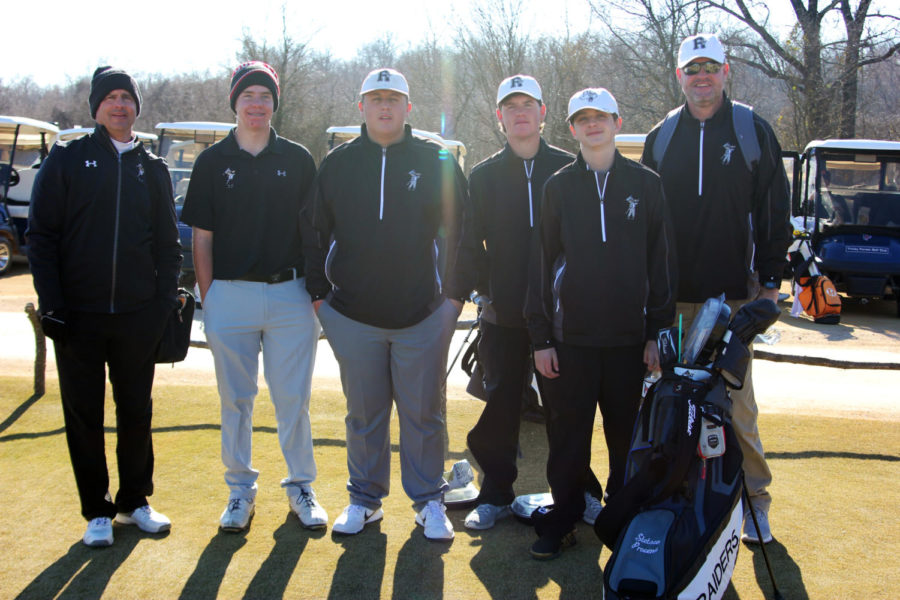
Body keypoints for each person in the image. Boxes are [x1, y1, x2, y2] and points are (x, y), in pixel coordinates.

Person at [641, 33, 792, 544]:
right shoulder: (662, 136)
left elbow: (775, 214)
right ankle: (678, 495)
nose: (701, 76)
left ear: (727, 72)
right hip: (675, 299)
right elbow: (647, 224)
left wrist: (771, 287)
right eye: (692, 69)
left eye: (710, 67)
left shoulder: (751, 129)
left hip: (733, 299)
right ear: (679, 76)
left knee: (737, 408)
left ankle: (755, 502)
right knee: (673, 403)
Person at [304, 68, 466, 540]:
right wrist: (320, 298)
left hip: (422, 315)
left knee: (423, 415)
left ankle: (428, 501)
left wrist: (453, 299)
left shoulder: (435, 159)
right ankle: (365, 500)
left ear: (408, 107)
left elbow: (462, 232)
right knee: (364, 414)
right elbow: (312, 231)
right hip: (352, 315)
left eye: (394, 98)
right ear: (361, 107)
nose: (385, 106)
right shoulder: (338, 163)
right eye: (375, 98)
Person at [28, 66, 182, 547]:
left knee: (136, 411)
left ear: (137, 107)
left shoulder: (151, 167)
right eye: (111, 97)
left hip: (138, 316)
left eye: (127, 98)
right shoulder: (68, 159)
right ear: (96, 107)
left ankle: (134, 502)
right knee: (84, 415)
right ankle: (97, 511)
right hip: (78, 316)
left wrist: (161, 305)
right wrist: (53, 304)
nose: (120, 105)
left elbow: (166, 245)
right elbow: (41, 236)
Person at [447, 74, 604, 531]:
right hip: (506, 316)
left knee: (567, 411)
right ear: (500, 118)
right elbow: (469, 247)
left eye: (528, 104)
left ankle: (582, 493)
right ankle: (496, 493)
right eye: (510, 106)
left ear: (543, 113)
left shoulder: (570, 167)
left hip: (564, 319)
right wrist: (484, 293)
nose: (520, 113)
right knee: (501, 407)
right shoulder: (484, 175)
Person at [526, 87, 676, 559]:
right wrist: (541, 337)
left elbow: (662, 265)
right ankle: (565, 517)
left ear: (616, 121)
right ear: (571, 128)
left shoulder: (646, 184)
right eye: (582, 119)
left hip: (630, 343)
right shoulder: (558, 187)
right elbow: (542, 264)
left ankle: (624, 521)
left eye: (601, 117)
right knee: (567, 440)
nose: (592, 125)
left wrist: (657, 334)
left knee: (626, 441)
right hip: (570, 341)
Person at [181, 61, 326, 532]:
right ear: (235, 103)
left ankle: (301, 485)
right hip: (230, 296)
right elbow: (201, 238)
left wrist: (314, 295)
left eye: (264, 95)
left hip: (291, 295)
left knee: (292, 400)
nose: (257, 104)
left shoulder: (299, 159)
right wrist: (212, 297)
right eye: (248, 96)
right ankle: (239, 490)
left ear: (273, 103)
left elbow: (315, 232)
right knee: (236, 400)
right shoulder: (212, 161)